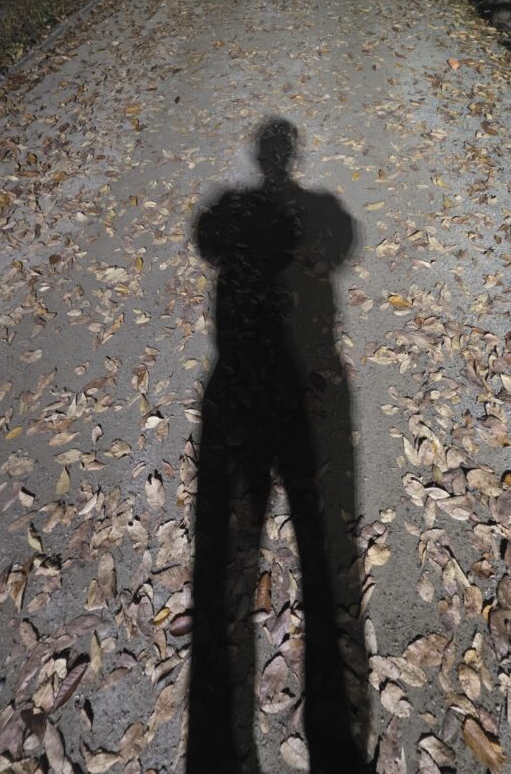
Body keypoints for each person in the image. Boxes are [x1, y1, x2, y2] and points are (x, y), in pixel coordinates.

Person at [186, 117, 370, 773]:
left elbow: (207, 241)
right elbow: (343, 243)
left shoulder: (231, 211)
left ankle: (218, 749)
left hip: (239, 385)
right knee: (322, 556)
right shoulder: (316, 211)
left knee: (230, 562)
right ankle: (337, 742)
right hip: (298, 382)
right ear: (288, 156)